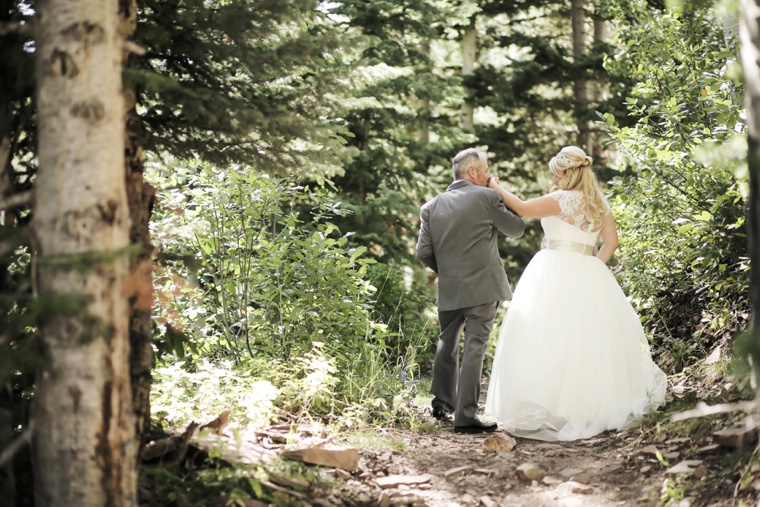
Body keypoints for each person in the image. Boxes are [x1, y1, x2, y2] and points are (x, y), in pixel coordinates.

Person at [484, 146, 667, 441]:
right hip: (588, 270)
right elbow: (612, 242)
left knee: (550, 336)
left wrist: (494, 185)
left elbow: (521, 207)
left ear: (566, 172)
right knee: (587, 339)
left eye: (556, 173)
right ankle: (589, 404)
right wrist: (593, 267)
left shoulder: (561, 200)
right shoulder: (599, 203)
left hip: (554, 268)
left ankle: (558, 406)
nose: (553, 179)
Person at [416, 148, 525, 434]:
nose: (490, 175)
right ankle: (465, 415)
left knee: (446, 341)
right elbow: (516, 229)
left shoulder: (430, 207)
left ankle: (441, 403)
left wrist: (447, 269)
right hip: (483, 286)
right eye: (487, 170)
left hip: (450, 286)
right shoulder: (487, 197)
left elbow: (423, 251)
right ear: (473, 173)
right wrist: (499, 191)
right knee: (475, 345)